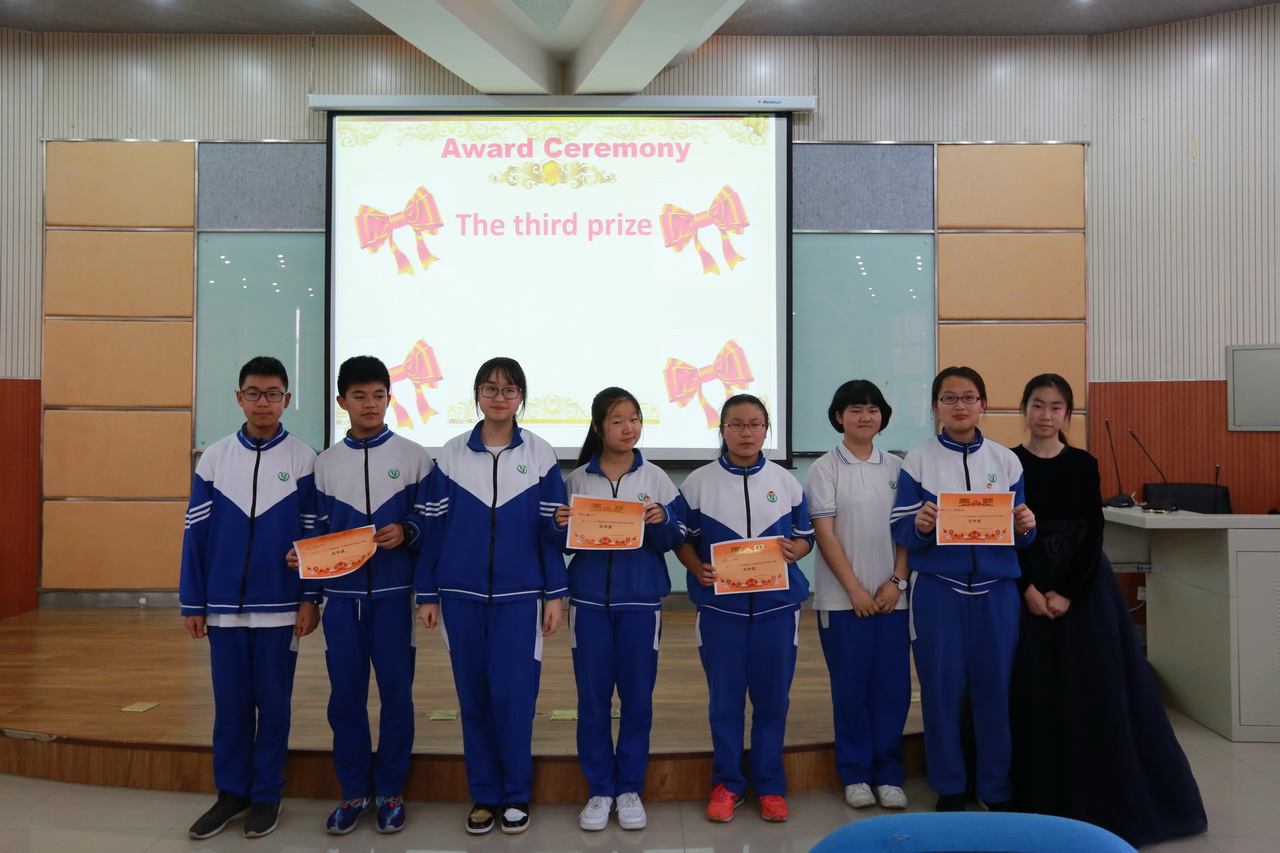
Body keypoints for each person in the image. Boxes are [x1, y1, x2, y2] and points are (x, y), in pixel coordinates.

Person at [1009, 373, 1207, 846]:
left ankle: (1097, 794)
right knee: (1032, 688)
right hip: (1025, 583)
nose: (1045, 415)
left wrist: (1065, 591)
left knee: (1091, 689)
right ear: (1025, 409)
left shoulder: (1083, 462)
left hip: (1081, 589)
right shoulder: (1006, 462)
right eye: (1037, 405)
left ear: (1067, 414)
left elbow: (1092, 529)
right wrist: (1029, 587)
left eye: (1056, 407)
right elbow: (1004, 531)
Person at [415, 357, 568, 836]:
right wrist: (427, 592)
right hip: (459, 596)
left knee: (514, 697)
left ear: (522, 397)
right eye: (490, 388)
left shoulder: (540, 454)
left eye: (509, 389)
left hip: (521, 598)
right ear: (477, 395)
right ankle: (484, 794)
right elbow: (434, 529)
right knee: (474, 697)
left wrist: (555, 594)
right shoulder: (452, 454)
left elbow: (552, 532)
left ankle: (516, 793)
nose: (499, 397)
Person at [180, 356, 320, 840]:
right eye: (255, 393)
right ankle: (231, 793)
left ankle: (266, 795)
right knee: (231, 708)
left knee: (274, 708)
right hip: (223, 611)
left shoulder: (304, 458)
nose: (264, 402)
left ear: (286, 399)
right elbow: (195, 536)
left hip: (281, 610)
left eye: (273, 393)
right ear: (239, 398)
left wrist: (310, 598)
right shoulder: (215, 458)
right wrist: (193, 602)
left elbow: (313, 536)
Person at [295, 355, 433, 835]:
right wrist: (310, 591)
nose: (370, 404)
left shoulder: (415, 456)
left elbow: (430, 520)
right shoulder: (325, 464)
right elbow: (314, 532)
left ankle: (390, 790)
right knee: (345, 700)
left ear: (389, 398)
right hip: (341, 603)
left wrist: (408, 530)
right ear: (342, 401)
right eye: (359, 396)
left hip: (394, 598)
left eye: (378, 395)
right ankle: (354, 791)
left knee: (397, 698)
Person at [890, 366, 1036, 812]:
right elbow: (901, 529)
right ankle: (949, 784)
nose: (959, 406)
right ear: (936, 406)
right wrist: (920, 525)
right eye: (949, 398)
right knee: (941, 691)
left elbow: (1021, 533)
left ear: (983, 404)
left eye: (969, 397)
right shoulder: (918, 460)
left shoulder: (1006, 461)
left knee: (995, 690)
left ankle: (995, 788)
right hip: (938, 591)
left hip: (997, 592)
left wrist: (1026, 527)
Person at [675, 393, 814, 824]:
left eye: (755, 424)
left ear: (766, 430)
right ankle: (728, 783)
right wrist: (696, 568)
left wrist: (796, 550)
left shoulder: (786, 482)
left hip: (778, 611)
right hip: (721, 615)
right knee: (725, 703)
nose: (746, 432)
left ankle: (769, 785)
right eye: (736, 424)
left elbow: (806, 536)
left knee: (773, 702)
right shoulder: (698, 482)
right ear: (723, 430)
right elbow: (682, 539)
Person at [552, 387, 686, 832]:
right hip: (588, 604)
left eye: (634, 419)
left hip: (641, 603)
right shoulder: (577, 480)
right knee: (592, 700)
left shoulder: (657, 477)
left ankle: (629, 787)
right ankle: (599, 789)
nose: (628, 428)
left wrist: (663, 521)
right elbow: (561, 544)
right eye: (617, 420)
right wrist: (558, 526)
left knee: (637, 699)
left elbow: (676, 538)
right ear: (598, 427)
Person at [806, 379, 911, 811]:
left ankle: (888, 774)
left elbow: (906, 531)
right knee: (851, 690)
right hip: (841, 601)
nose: (865, 417)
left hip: (892, 600)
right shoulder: (824, 468)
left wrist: (897, 582)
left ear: (882, 416)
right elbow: (824, 533)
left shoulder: (899, 468)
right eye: (855, 409)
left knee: (892, 690)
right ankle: (855, 775)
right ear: (839, 417)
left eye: (872, 409)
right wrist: (853, 589)